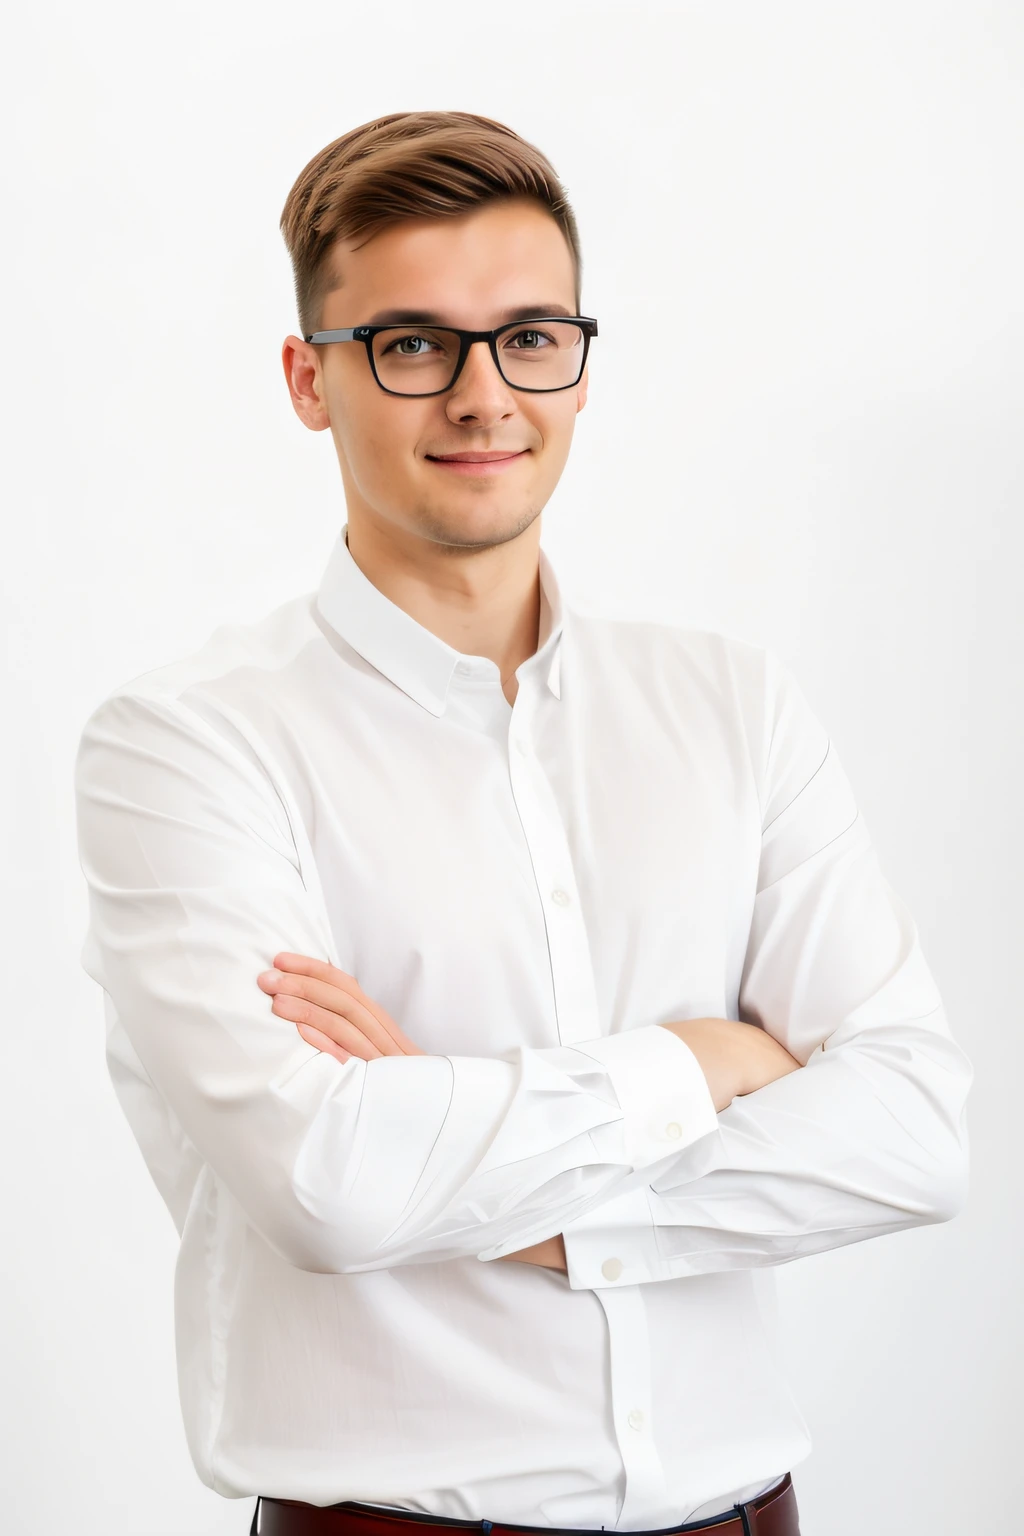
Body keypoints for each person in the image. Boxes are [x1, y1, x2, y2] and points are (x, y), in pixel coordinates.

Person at [73, 111, 973, 1536]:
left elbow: (916, 1131)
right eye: (414, 343)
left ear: (579, 363)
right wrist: (703, 1060)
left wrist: (471, 1154)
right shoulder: (187, 747)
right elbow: (329, 1185)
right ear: (312, 379)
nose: (485, 396)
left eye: (531, 338)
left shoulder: (732, 707)